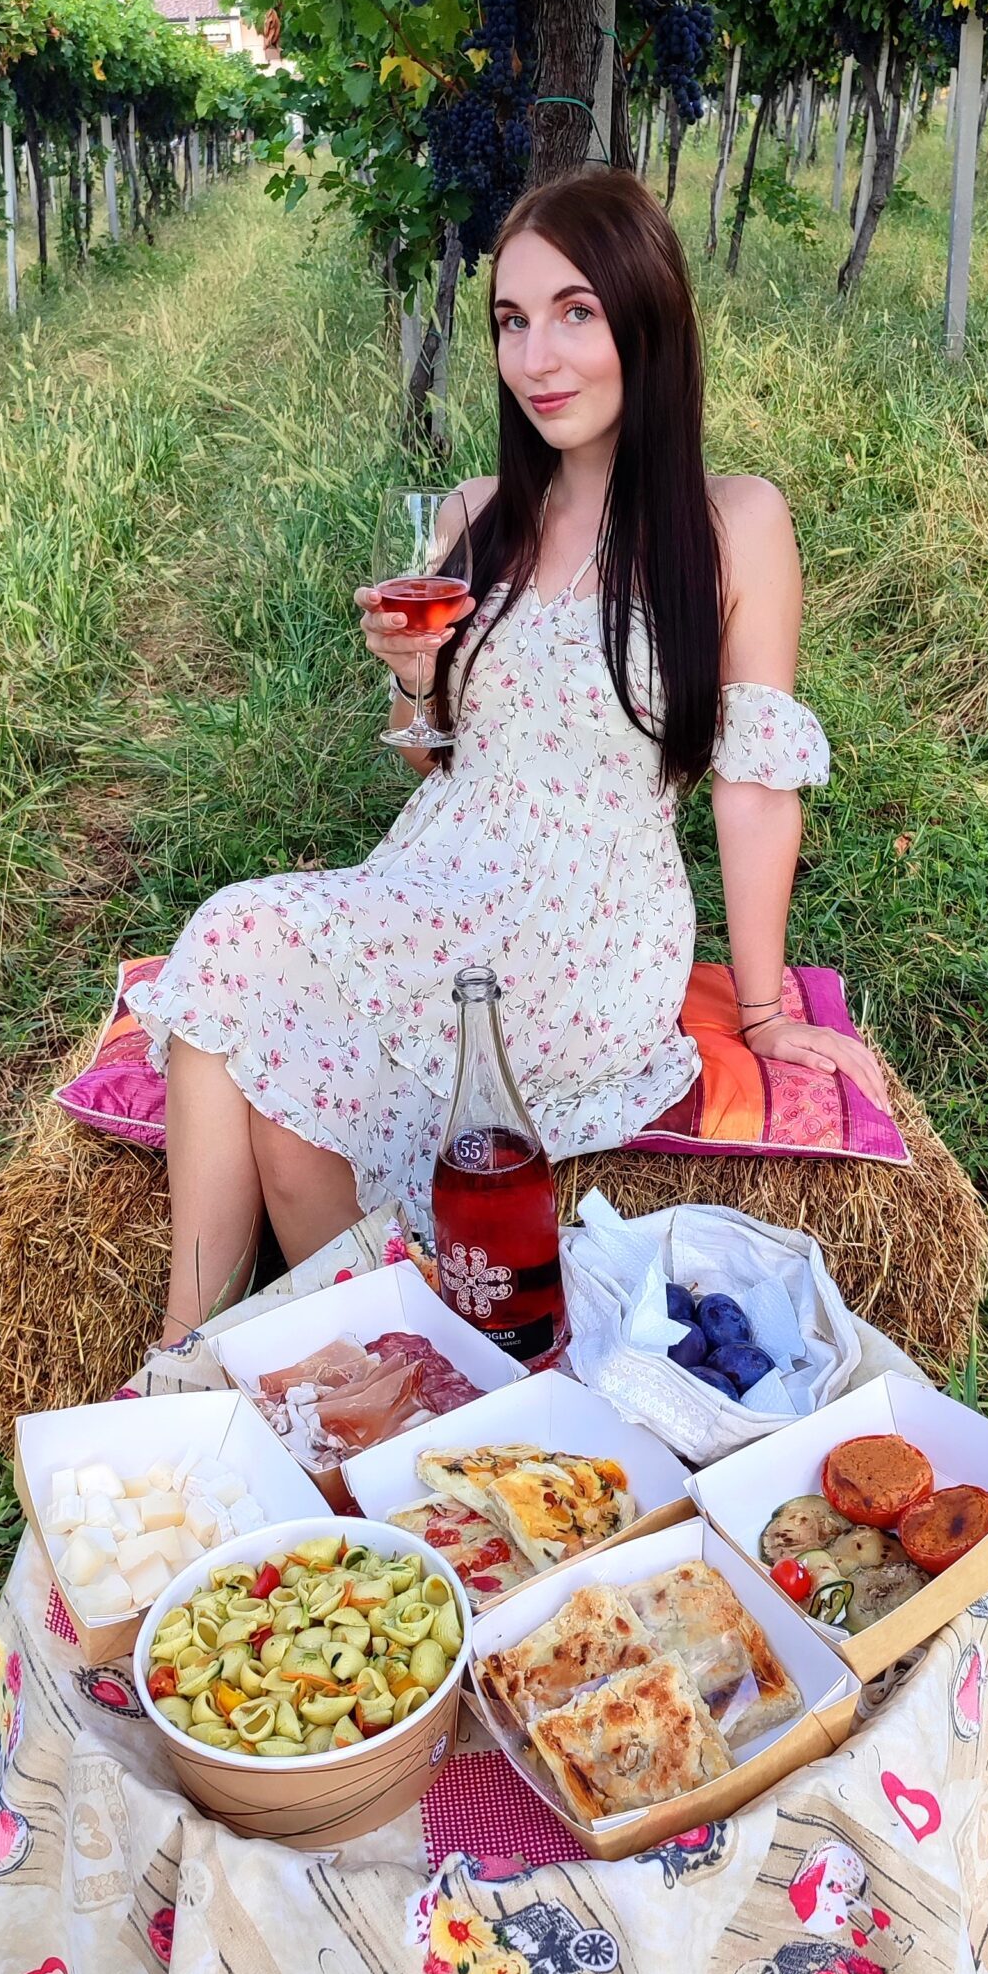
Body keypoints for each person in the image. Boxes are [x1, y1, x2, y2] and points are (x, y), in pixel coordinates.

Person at [130, 166, 885, 1348]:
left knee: (233, 936)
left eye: (575, 312)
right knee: (281, 1089)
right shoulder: (474, 513)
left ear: (647, 318)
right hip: (438, 872)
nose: (538, 357)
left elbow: (752, 787)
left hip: (590, 919)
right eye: (512, 320)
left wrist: (761, 1010)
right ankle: (298, 1358)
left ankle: (194, 1359)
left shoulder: (734, 520)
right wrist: (412, 676)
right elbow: (433, 760)